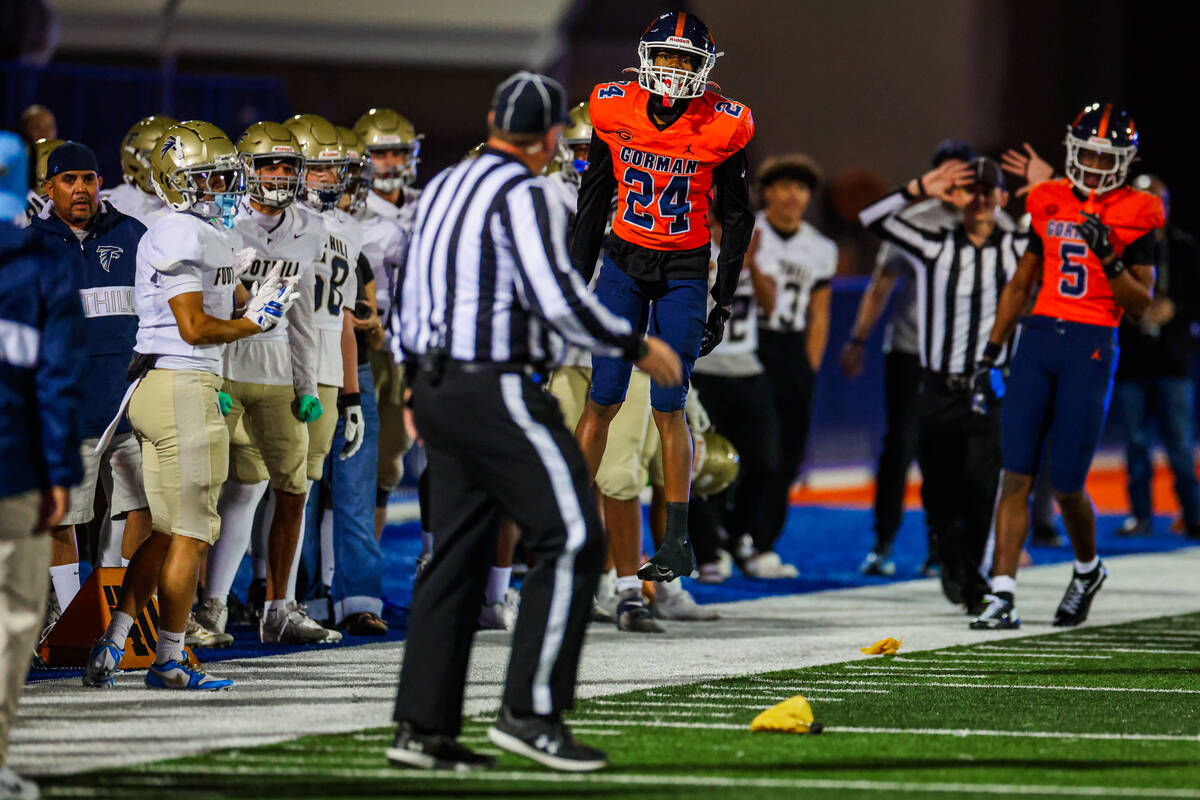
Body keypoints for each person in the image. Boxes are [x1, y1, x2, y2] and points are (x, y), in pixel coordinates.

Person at [390, 70, 680, 772]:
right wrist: (634, 342)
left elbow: (407, 287)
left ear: (493, 118)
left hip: (434, 382)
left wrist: (410, 388)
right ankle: (530, 713)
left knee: (454, 557)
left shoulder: (443, 188)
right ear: (552, 137)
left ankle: (421, 731)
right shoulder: (526, 194)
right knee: (576, 537)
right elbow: (554, 297)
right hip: (496, 384)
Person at [82, 120, 300, 691]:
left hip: (163, 384)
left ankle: (114, 642)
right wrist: (252, 324)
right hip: (181, 383)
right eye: (210, 178)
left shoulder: (208, 232)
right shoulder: (179, 230)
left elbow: (221, 301)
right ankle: (170, 658)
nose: (224, 187)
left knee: (161, 529)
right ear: (178, 183)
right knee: (192, 534)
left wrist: (255, 298)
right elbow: (194, 325)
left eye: (226, 175)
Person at [572, 10, 755, 583]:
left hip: (682, 268)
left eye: (686, 59)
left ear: (704, 69)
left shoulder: (723, 125)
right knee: (601, 397)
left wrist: (721, 301)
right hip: (623, 261)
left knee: (668, 405)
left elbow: (738, 218)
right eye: (668, 56)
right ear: (647, 57)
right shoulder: (613, 107)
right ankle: (572, 527)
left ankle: (677, 539)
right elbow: (592, 202)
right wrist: (577, 287)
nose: (675, 69)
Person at [972, 103, 1164, 630]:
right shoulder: (1050, 199)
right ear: (1072, 152)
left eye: (1107, 159)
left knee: (1066, 482)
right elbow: (1021, 281)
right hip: (1039, 336)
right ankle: (1002, 592)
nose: (1097, 168)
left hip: (1093, 341)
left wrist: (1112, 259)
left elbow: (1142, 303)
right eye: (1089, 156)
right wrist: (992, 347)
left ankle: (1086, 568)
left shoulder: (1140, 210)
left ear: (1124, 161)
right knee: (1016, 473)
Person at [860, 156, 1027, 615]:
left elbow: (1064, 227)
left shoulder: (1017, 245)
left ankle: (972, 577)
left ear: (1002, 197)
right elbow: (870, 218)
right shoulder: (935, 243)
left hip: (991, 383)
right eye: (971, 191)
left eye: (988, 191)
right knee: (938, 488)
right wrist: (919, 187)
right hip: (938, 385)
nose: (979, 200)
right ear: (957, 197)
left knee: (980, 486)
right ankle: (951, 554)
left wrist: (1047, 184)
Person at [198, 121, 330, 645]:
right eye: (268, 165)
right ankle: (205, 608)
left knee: (293, 492)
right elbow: (212, 304)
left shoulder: (312, 228)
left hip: (277, 376)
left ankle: (280, 606)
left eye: (287, 166)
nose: (278, 175)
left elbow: (303, 317)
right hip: (228, 369)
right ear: (245, 169)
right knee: (208, 492)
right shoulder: (219, 221)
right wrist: (216, 374)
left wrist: (308, 387)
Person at [25, 141, 151, 628]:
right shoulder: (28, 247)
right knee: (65, 515)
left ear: (101, 182)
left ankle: (121, 609)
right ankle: (71, 616)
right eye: (69, 180)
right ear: (48, 188)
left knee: (139, 506)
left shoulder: (134, 235)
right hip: (65, 410)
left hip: (129, 402)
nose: (81, 189)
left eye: (89, 178)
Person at [843, 140, 981, 577]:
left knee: (952, 452)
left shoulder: (989, 225)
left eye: (965, 176)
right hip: (909, 349)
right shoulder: (913, 223)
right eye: (948, 175)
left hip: (962, 355)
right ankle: (884, 541)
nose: (957, 186)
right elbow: (880, 284)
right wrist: (858, 338)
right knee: (900, 445)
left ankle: (943, 545)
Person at [0, 130, 84, 800]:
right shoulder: (42, 265)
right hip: (12, 467)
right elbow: (56, 382)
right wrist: (60, 472)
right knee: (11, 617)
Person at [283, 113, 363, 640]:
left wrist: (353, 396)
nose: (332, 182)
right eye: (320, 171)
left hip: (328, 370)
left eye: (336, 171)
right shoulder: (275, 223)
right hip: (277, 365)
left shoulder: (346, 230)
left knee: (301, 491)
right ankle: (240, 597)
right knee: (247, 491)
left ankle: (286, 598)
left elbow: (345, 321)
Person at [746, 154, 837, 570]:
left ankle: (763, 540)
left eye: (799, 188)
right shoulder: (747, 230)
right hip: (746, 344)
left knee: (787, 453)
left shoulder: (820, 248)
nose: (791, 195)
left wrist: (810, 366)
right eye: (783, 186)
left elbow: (820, 312)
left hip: (790, 347)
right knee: (753, 448)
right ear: (766, 191)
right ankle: (730, 536)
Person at [690, 212, 787, 578]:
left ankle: (736, 534)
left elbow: (770, 306)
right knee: (701, 465)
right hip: (705, 370)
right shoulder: (696, 250)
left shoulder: (760, 253)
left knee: (765, 460)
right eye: (719, 223)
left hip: (748, 369)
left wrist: (752, 263)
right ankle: (707, 549)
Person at [1112, 175, 1200, 539]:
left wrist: (1174, 310)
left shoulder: (1184, 248)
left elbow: (1197, 298)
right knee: (1135, 444)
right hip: (1133, 362)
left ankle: (1193, 514)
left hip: (1173, 362)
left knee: (1179, 444)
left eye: (1156, 200)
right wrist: (1134, 311)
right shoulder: (1118, 247)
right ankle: (1140, 515)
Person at [353, 108, 422, 540]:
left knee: (390, 462)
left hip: (414, 346)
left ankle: (367, 570)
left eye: (399, 152)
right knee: (353, 459)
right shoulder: (353, 213)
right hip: (365, 346)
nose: (392, 162)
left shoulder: (426, 205)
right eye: (381, 154)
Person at [102, 115, 179, 226]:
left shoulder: (188, 201)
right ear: (133, 161)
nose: (171, 167)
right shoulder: (112, 205)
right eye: (160, 159)